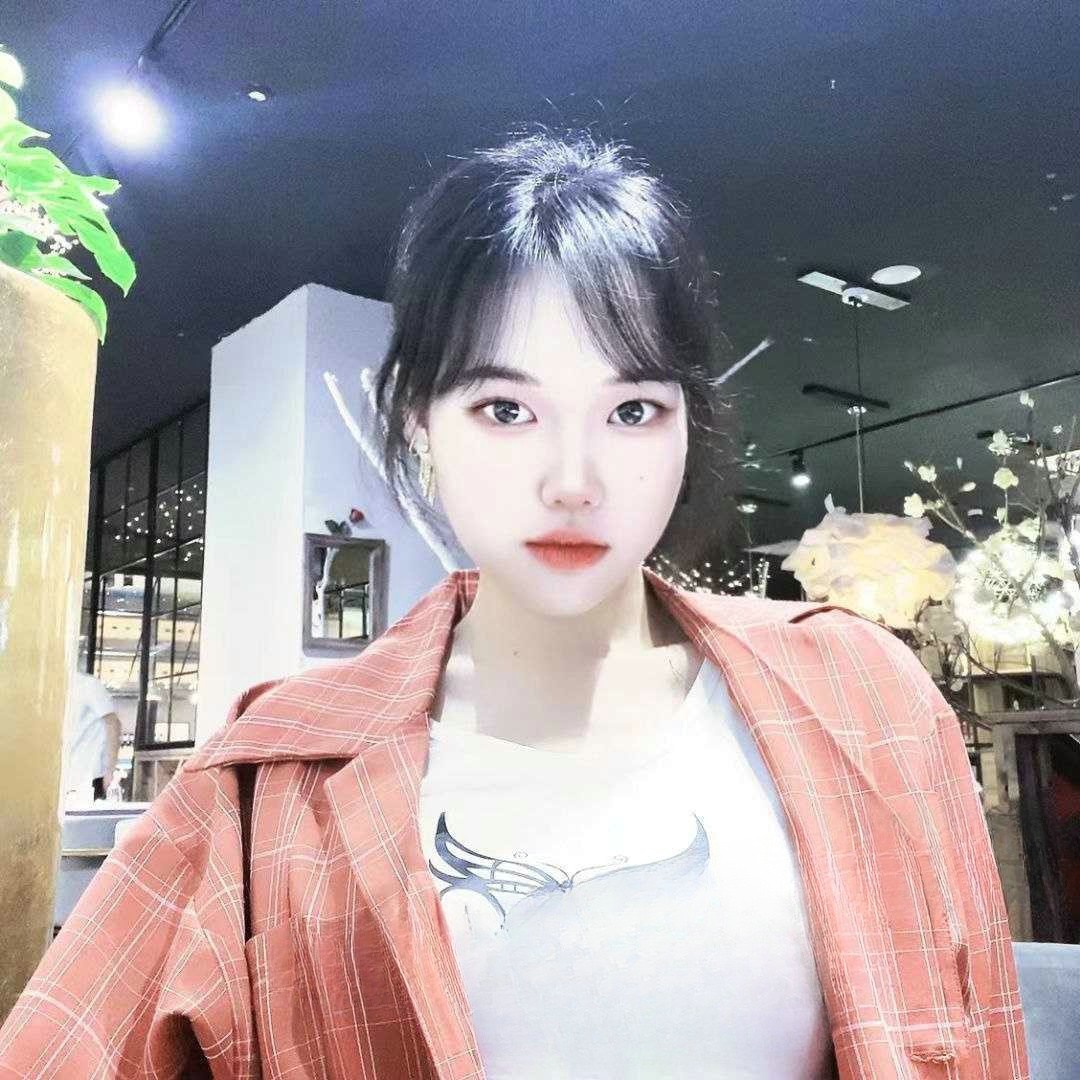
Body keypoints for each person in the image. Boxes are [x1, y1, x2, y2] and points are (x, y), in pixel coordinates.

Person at [0, 129, 1028, 1079]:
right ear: (419, 422)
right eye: (505, 408)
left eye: (632, 409)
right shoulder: (272, 776)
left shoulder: (862, 698)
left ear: (688, 424)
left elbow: (980, 1028)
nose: (572, 480)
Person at [62, 668, 121, 809]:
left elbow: (113, 723)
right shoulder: (54, 688)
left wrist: (110, 770)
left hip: (88, 778)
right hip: (63, 777)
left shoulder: (87, 685)